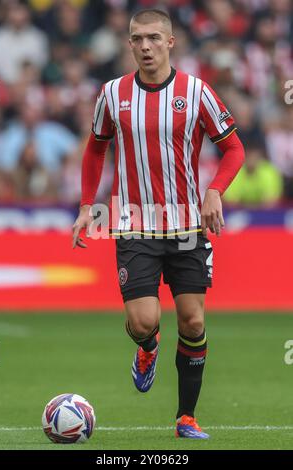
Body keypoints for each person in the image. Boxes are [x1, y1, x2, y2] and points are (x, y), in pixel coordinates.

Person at [72, 9, 245, 439]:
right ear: (128, 44)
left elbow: (235, 149)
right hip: (133, 224)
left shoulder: (197, 92)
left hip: (187, 226)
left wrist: (215, 191)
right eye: (136, 39)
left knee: (193, 323)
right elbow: (95, 149)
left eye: (152, 37)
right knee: (145, 321)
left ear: (170, 42)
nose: (144, 46)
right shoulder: (112, 94)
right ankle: (147, 348)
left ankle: (186, 417)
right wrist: (85, 206)